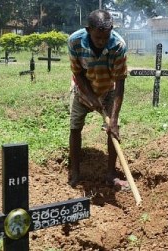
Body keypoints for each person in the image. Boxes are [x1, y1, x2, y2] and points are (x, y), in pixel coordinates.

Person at [67, 9, 129, 189]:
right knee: (75, 127)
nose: (102, 42)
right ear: (88, 30)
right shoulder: (75, 41)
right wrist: (91, 97)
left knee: (113, 131)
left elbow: (120, 83)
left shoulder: (118, 45)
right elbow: (77, 73)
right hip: (82, 90)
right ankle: (76, 172)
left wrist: (114, 120)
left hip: (108, 90)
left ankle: (111, 174)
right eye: (97, 38)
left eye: (105, 37)